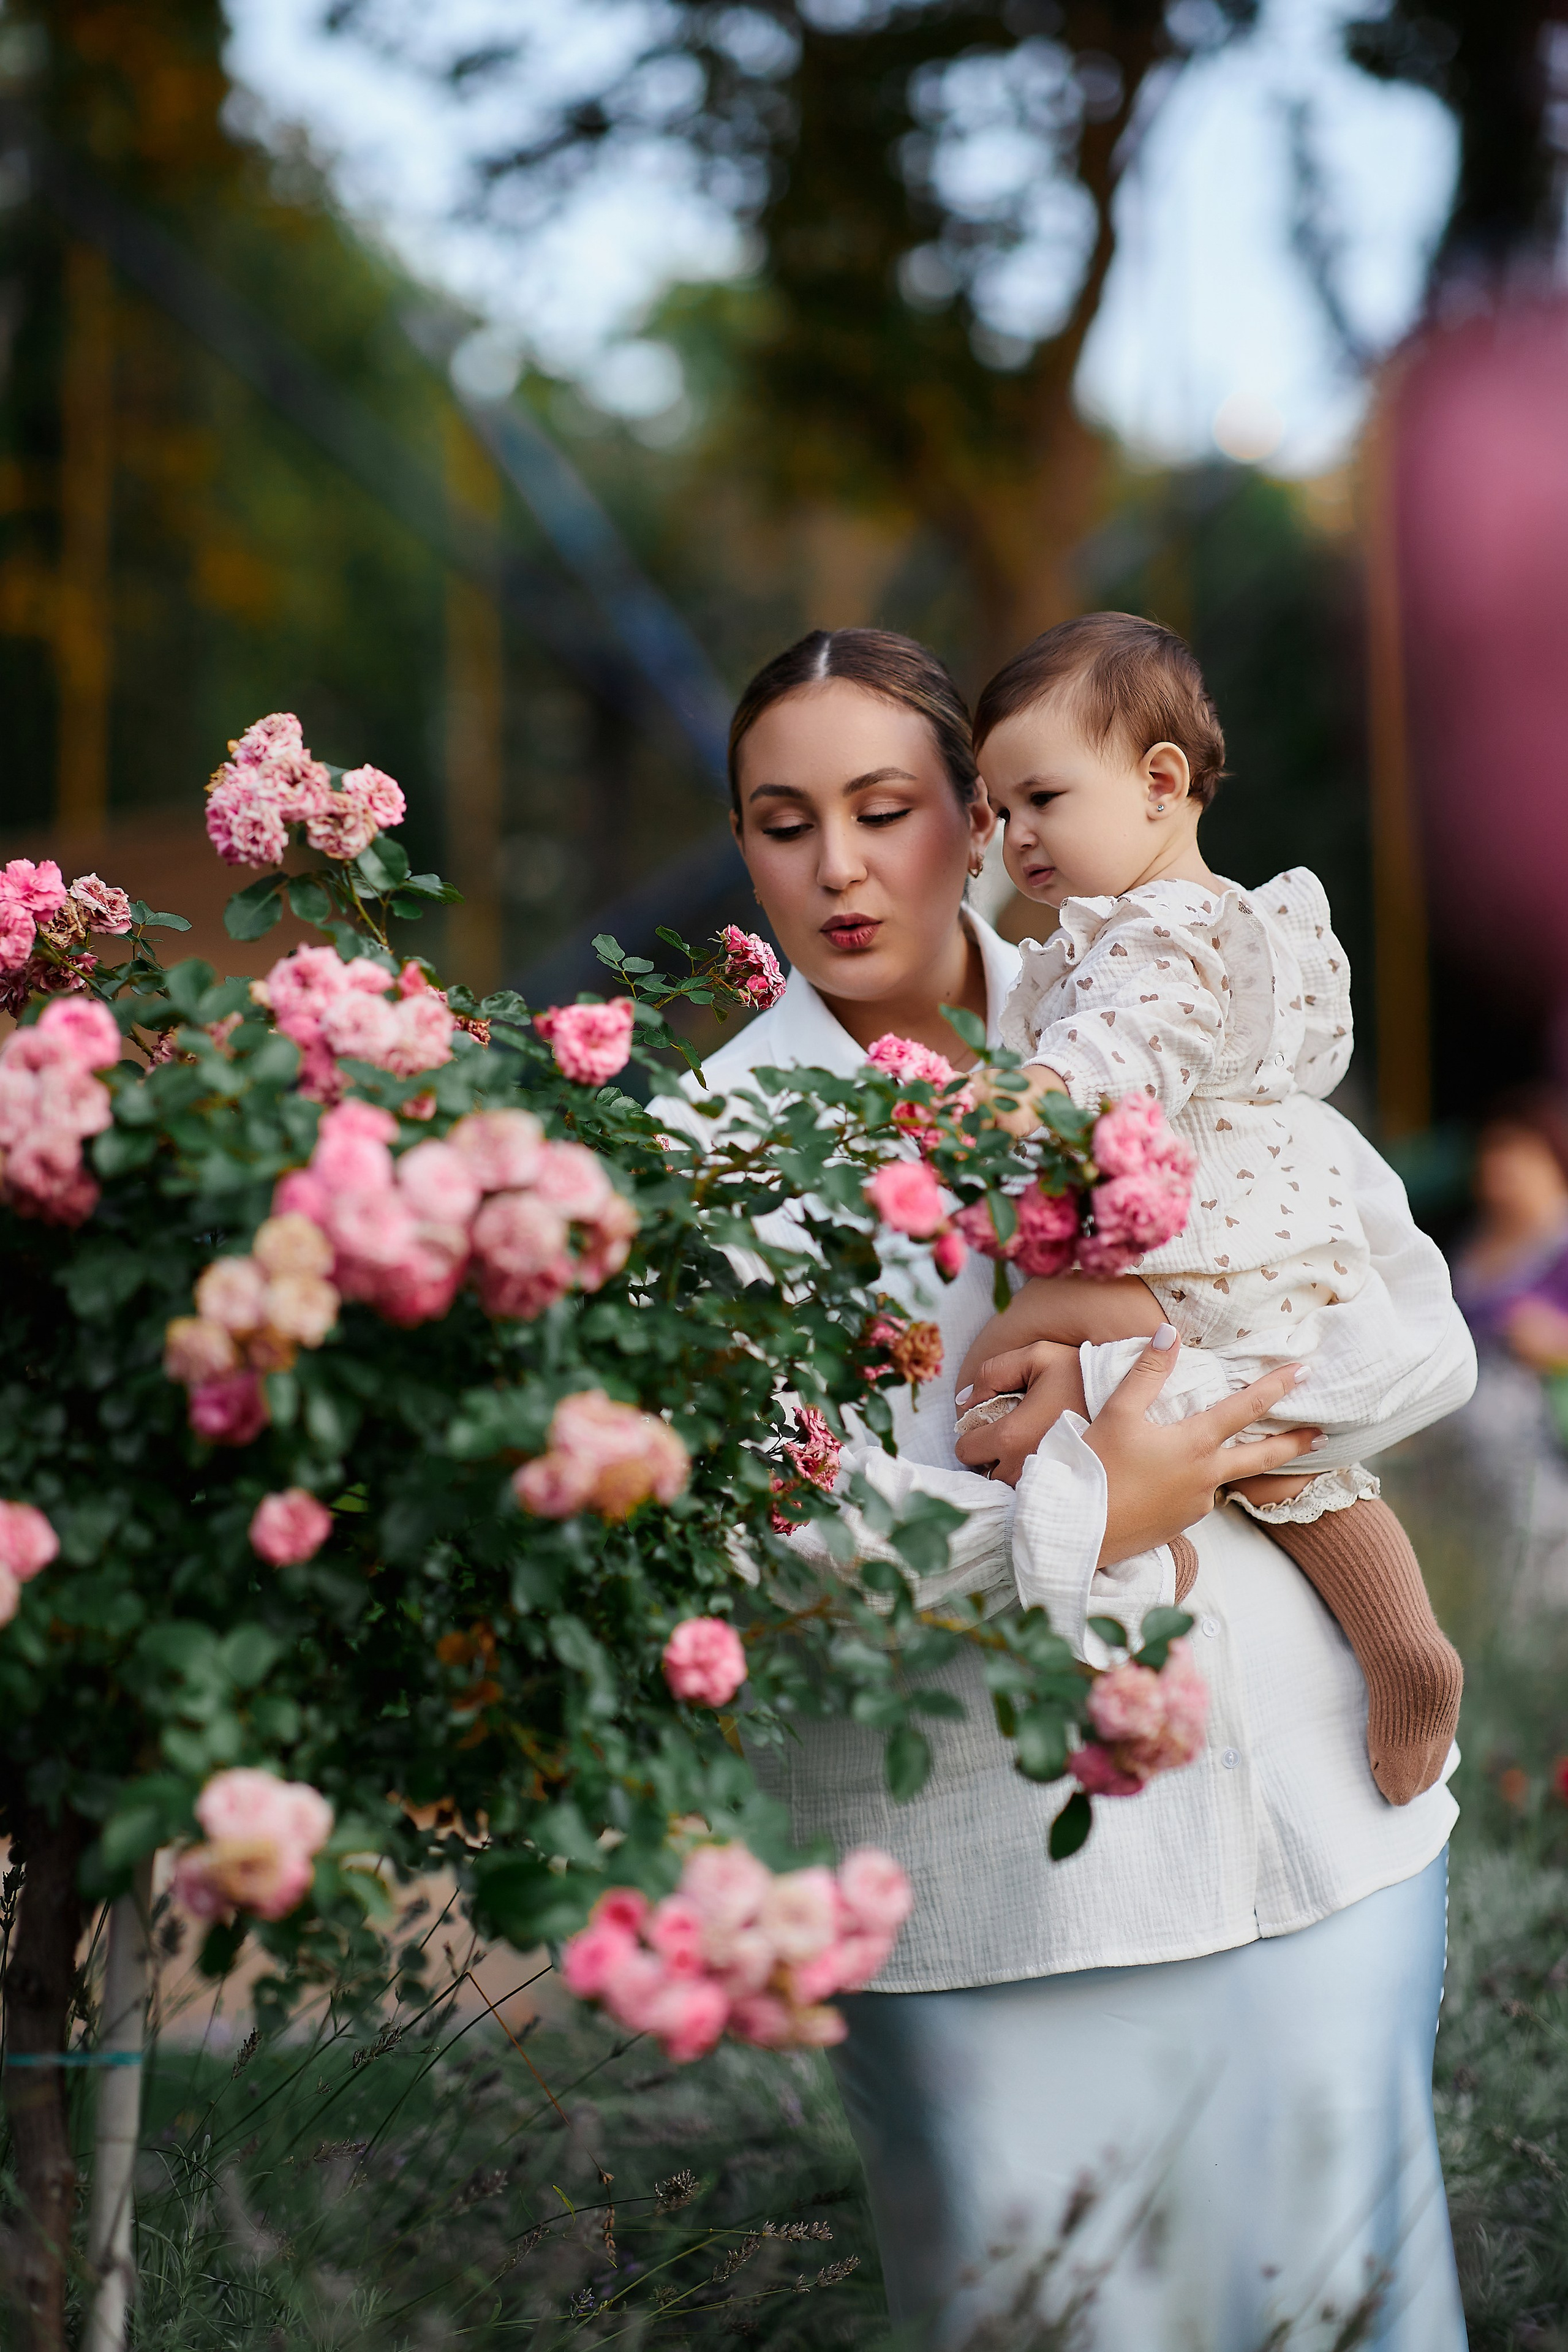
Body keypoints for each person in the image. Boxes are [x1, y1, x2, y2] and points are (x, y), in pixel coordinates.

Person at [662, 625, 1474, 2350]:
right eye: (782, 824)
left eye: (886, 809)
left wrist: (1194, 1420)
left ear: (978, 816)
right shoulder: (706, 1155)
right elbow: (759, 1543)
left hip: (1323, 1822)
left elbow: (1406, 1337)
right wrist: (1090, 1509)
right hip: (1002, 1890)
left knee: (1353, 2308)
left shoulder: (1151, 995)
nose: (839, 866)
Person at [949, 614, 1461, 1807]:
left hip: (1207, 1251)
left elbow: (1129, 1044)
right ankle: (1392, 1639)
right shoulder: (1179, 918)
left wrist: (1019, 1095)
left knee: (1006, 1369)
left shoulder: (1159, 935)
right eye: (1000, 811)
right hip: (1240, 1239)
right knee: (1267, 1463)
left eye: (1042, 798)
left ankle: (1148, 1559)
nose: (1018, 836)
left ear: (1160, 781)